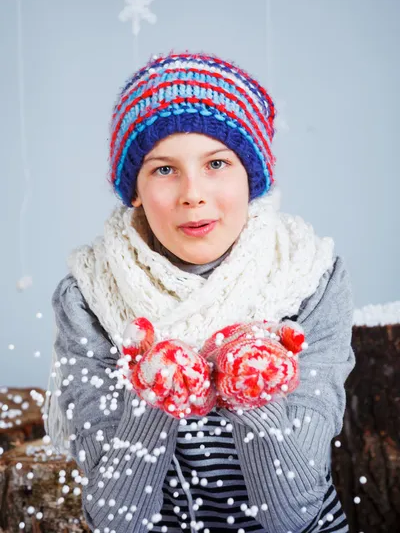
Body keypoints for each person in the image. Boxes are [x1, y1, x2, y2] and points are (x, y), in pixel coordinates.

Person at [44, 51, 355, 533]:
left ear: (251, 176)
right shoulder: (89, 297)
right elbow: (112, 518)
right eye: (164, 169)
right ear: (134, 189)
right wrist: (158, 400)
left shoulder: (309, 278)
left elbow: (293, 515)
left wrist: (252, 396)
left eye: (216, 162)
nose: (193, 192)